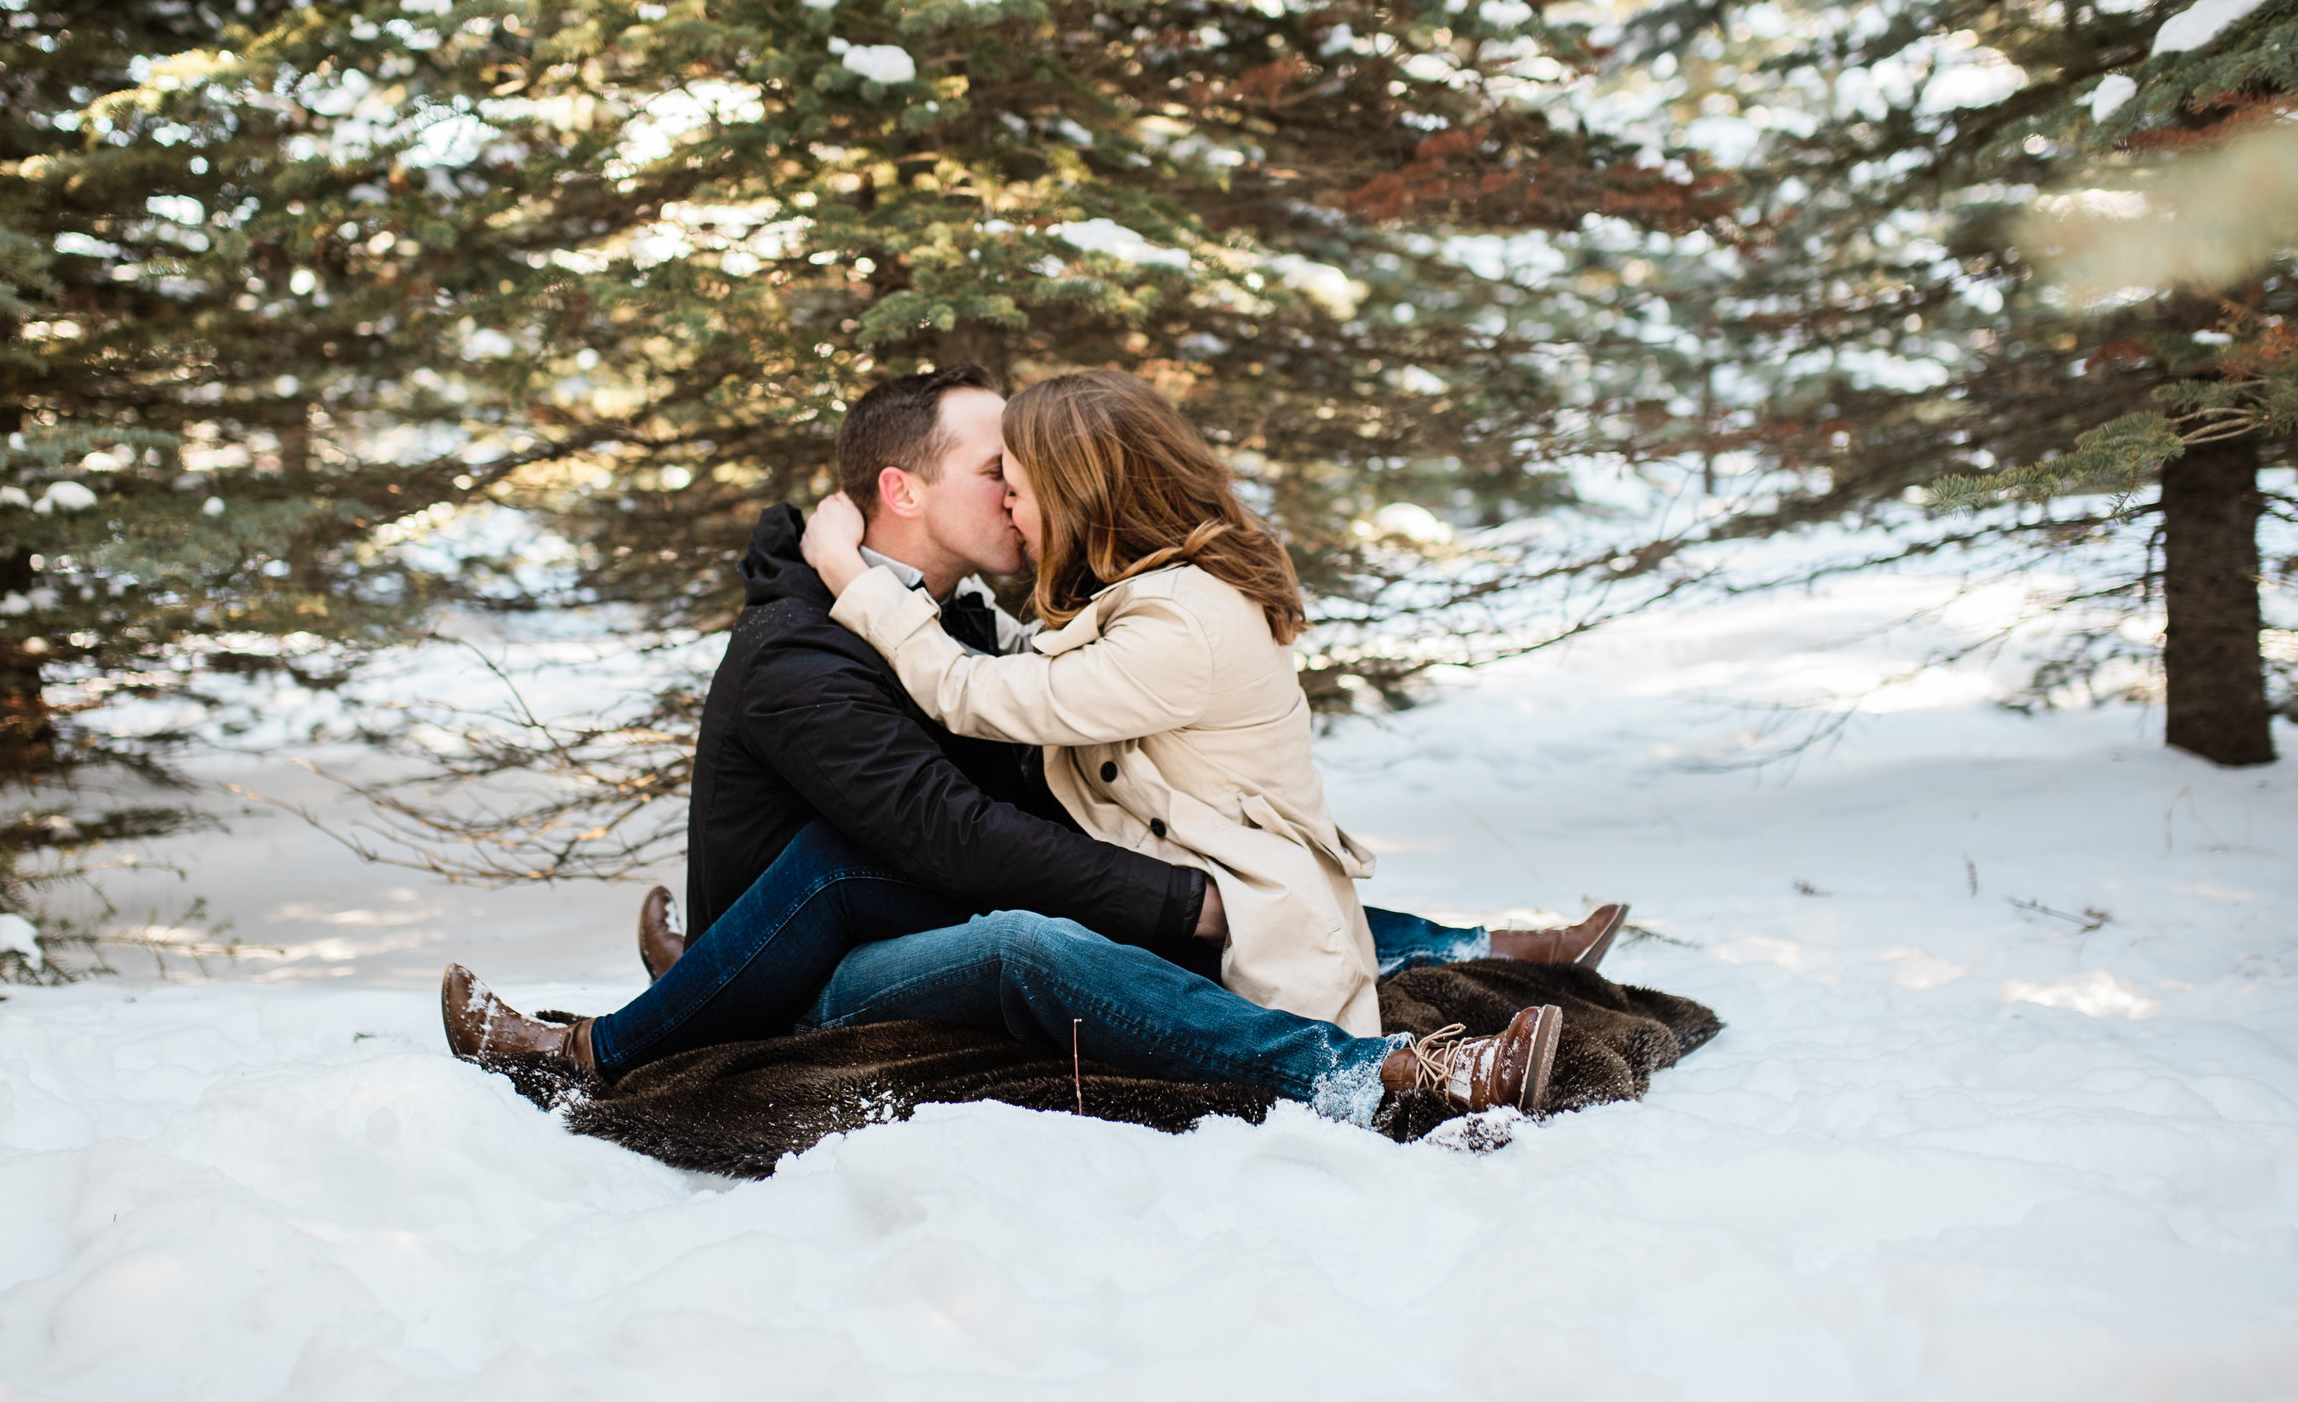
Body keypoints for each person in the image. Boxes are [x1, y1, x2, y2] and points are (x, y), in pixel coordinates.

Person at [442, 369, 1623, 1120]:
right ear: (902, 491)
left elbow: (1017, 775)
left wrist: (1172, 891)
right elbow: (950, 834)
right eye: (996, 472)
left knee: (1172, 865)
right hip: (819, 969)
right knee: (1024, 933)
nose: (1020, 495)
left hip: (893, 905)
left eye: (1028, 476)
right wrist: (1174, 907)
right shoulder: (802, 656)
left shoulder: (959, 611)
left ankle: (1469, 943)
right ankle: (1368, 1075)